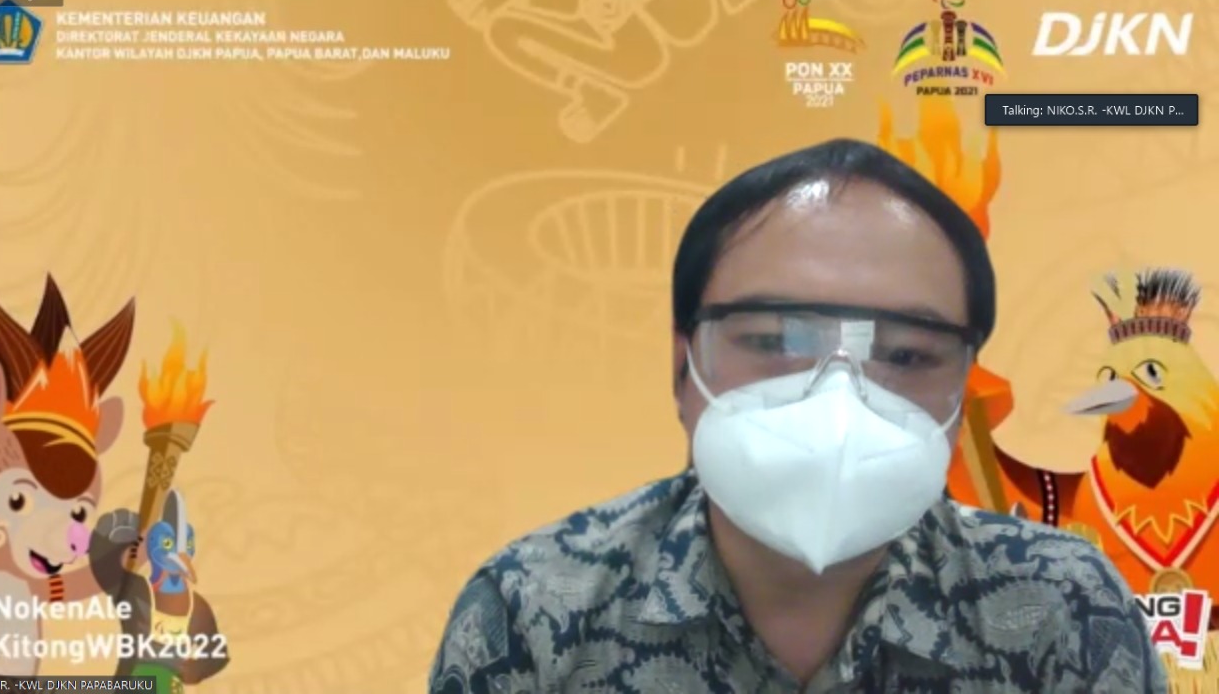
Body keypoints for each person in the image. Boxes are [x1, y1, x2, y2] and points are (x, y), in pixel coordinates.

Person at [429, 139, 1168, 693]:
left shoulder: (1061, 605)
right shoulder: (536, 607)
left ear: (964, 386)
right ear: (683, 366)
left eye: (905, 354)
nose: (837, 400)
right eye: (777, 341)